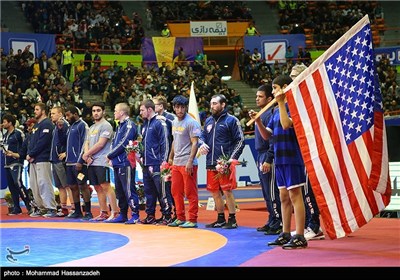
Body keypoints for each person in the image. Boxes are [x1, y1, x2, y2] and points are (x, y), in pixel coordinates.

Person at [249, 75, 307, 249]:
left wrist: (281, 102)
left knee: (295, 195)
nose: (273, 92)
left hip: (292, 157)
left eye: (275, 88)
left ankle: (300, 235)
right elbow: (268, 136)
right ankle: (285, 232)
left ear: (284, 88)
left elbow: (286, 125)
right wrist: (258, 121)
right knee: (283, 197)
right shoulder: (274, 111)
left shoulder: (295, 106)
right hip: (280, 158)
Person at [289, 64, 324, 241]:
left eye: (296, 76)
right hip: (301, 150)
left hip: (313, 149)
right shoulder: (294, 98)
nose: (293, 79)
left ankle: (314, 226)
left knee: (310, 190)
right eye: (292, 76)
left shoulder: (309, 97)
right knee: (306, 190)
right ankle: (312, 224)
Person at [199, 94, 245, 229]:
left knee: (227, 191)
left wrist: (232, 158)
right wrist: (201, 143)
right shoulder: (208, 121)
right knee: (214, 192)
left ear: (223, 104)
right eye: (211, 104)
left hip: (224, 163)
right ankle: (220, 218)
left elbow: (240, 140)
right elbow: (202, 135)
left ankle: (232, 219)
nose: (212, 106)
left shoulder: (232, 120)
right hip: (210, 162)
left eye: (215, 104)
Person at [252, 84, 283, 235]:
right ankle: (272, 219)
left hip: (268, 154)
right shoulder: (261, 114)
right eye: (256, 96)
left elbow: (272, 139)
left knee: (272, 191)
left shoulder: (271, 113)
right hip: (261, 154)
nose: (257, 99)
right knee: (266, 192)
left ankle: (278, 221)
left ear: (269, 99)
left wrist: (269, 158)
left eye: (260, 96)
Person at [167, 95, 201, 228]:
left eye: (182, 107)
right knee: (176, 191)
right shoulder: (174, 122)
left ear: (186, 108)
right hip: (176, 162)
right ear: (174, 108)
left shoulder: (191, 122)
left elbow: (195, 143)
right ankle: (180, 217)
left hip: (188, 162)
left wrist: (190, 161)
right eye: (177, 107)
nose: (180, 110)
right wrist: (170, 156)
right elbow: (175, 141)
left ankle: (192, 219)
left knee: (190, 192)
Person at [82, 101, 119, 222]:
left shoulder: (106, 125)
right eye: (94, 111)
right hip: (91, 162)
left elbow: (101, 144)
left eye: (98, 110)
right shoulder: (92, 127)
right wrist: (87, 155)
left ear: (103, 111)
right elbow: (86, 142)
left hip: (102, 161)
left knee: (106, 186)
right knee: (97, 187)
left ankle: (115, 212)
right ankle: (103, 212)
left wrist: (87, 154)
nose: (96, 113)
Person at [106, 102, 141, 224]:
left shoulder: (130, 125)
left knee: (129, 189)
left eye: (115, 110)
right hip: (117, 162)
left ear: (121, 113)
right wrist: (112, 157)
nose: (114, 112)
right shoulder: (119, 125)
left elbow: (124, 142)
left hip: (125, 162)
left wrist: (110, 155)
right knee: (120, 190)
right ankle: (123, 214)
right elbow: (115, 142)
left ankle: (135, 214)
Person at [139, 99, 173, 225]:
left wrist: (163, 161)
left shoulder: (160, 122)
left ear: (149, 109)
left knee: (162, 191)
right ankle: (150, 215)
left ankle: (167, 215)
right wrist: (141, 156)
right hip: (146, 163)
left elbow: (165, 142)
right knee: (149, 191)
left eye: (142, 110)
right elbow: (143, 143)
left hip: (157, 163)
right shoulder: (145, 124)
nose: (140, 112)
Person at [57, 105, 92, 220]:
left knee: (83, 186)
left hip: (78, 162)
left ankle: (88, 211)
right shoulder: (70, 126)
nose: (66, 118)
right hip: (69, 163)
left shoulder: (83, 126)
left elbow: (85, 143)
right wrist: (60, 129)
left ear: (75, 114)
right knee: (72, 186)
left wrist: (81, 160)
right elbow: (64, 142)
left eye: (68, 115)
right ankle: (77, 211)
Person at [26, 103, 58, 218]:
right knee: (34, 185)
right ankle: (41, 207)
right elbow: (31, 142)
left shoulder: (47, 124)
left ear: (43, 111)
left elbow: (43, 142)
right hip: (33, 160)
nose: (35, 111)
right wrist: (29, 154)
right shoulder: (36, 126)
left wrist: (32, 154)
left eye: (37, 109)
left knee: (44, 183)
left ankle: (51, 208)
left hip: (43, 159)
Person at [2, 114, 31, 215]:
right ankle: (16, 208)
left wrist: (18, 155)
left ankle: (29, 205)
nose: (3, 123)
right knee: (11, 186)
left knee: (17, 183)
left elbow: (25, 145)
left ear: (10, 123)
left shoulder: (18, 133)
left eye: (5, 122)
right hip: (7, 162)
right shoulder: (5, 135)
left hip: (16, 162)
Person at [153, 95, 176, 221]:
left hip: (172, 157)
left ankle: (177, 213)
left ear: (161, 106)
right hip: (160, 158)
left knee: (171, 187)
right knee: (162, 189)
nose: (152, 107)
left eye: (154, 104)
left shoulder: (171, 118)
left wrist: (169, 158)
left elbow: (177, 129)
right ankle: (166, 213)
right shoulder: (153, 119)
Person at [50, 106, 73, 217]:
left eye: (54, 113)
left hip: (60, 159)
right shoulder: (56, 126)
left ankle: (73, 207)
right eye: (51, 113)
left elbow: (69, 141)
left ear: (60, 114)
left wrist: (66, 153)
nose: (51, 115)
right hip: (55, 159)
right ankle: (64, 208)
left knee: (67, 185)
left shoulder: (64, 125)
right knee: (60, 186)